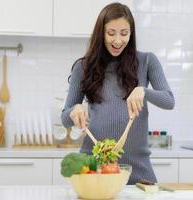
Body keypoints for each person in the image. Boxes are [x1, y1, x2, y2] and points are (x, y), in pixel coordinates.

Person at [61, 2, 175, 185]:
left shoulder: (147, 61)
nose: (118, 41)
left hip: (139, 171)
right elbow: (65, 118)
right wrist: (74, 110)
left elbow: (169, 101)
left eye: (124, 33)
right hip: (94, 169)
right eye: (111, 33)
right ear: (101, 33)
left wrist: (143, 91)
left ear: (131, 33)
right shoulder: (83, 67)